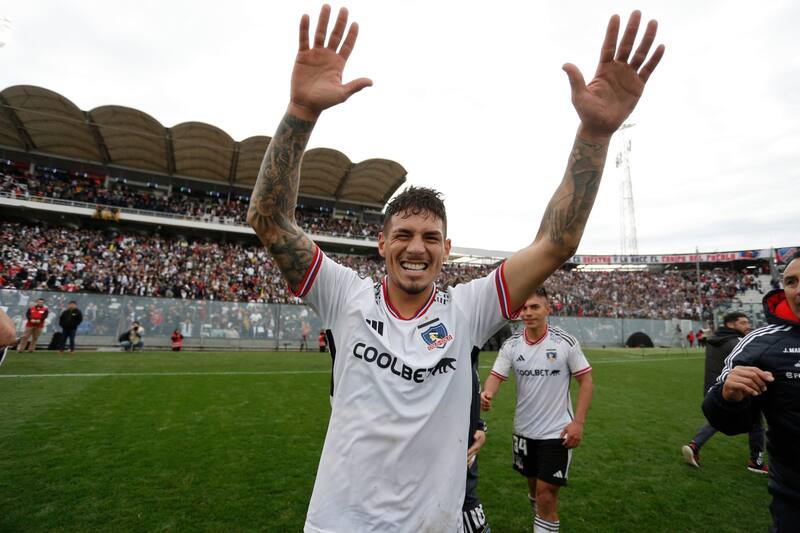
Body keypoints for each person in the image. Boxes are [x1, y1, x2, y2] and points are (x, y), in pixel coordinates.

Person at [246, 6, 663, 531]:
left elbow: (558, 242)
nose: (415, 247)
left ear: (447, 249)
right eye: (403, 234)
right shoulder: (343, 296)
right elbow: (269, 219)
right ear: (381, 244)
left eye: (430, 237)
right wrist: (300, 112)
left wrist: (595, 135)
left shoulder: (467, 309)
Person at [481, 289, 594, 533]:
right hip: (524, 431)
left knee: (546, 495)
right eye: (524, 308)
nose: (528, 313)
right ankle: (540, 517)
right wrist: (487, 393)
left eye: (535, 307)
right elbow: (496, 376)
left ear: (547, 309)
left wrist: (579, 423)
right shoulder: (511, 345)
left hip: (557, 433)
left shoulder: (565, 342)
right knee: (534, 490)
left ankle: (543, 518)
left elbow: (586, 381)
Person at [703, 256, 800, 532]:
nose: (798, 290)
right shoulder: (761, 342)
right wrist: (728, 396)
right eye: (791, 282)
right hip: (793, 497)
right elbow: (728, 421)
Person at [681, 312, 767, 472]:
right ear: (730, 324)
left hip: (714, 390)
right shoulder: (737, 342)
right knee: (757, 423)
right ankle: (757, 461)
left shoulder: (715, 339)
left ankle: (694, 446)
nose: (747, 326)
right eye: (742, 323)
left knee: (717, 420)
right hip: (734, 390)